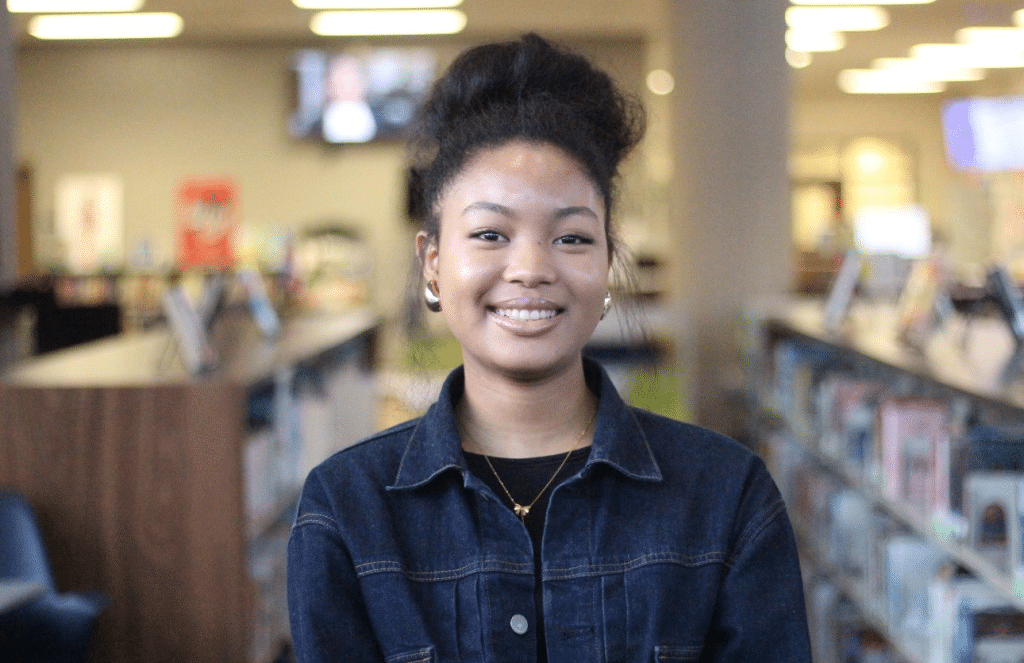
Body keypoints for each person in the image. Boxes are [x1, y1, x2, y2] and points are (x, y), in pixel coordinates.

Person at [287, 33, 811, 662]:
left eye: (571, 238)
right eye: (489, 233)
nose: (531, 268)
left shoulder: (727, 498)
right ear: (432, 264)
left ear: (609, 262)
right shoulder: (347, 509)